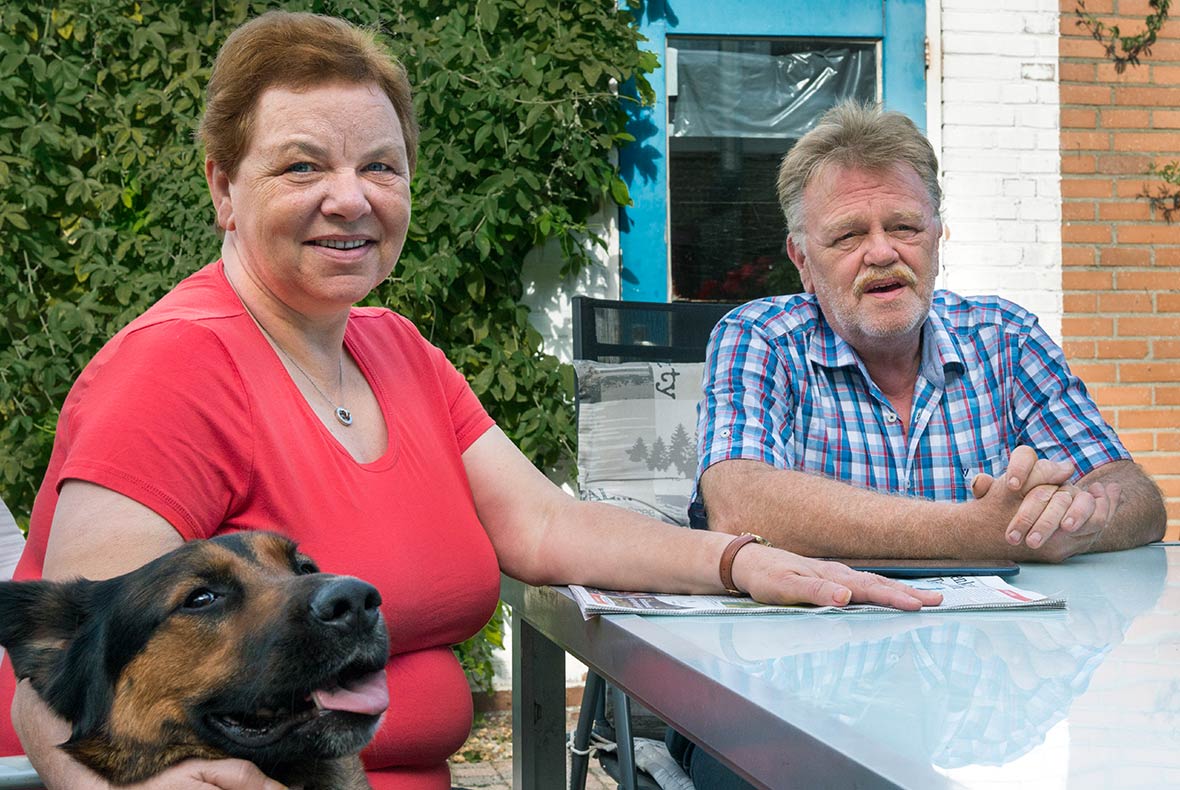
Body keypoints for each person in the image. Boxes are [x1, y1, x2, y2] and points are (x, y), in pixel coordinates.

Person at [0, 14, 942, 790]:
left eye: (380, 166)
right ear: (223, 189)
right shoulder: (173, 369)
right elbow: (72, 662)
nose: (349, 198)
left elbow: (544, 525)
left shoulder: (393, 348)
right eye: (300, 168)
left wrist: (742, 561)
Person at [693, 100, 1166, 562]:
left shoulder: (1007, 338)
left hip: (994, 638)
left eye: (903, 227)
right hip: (823, 630)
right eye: (848, 235)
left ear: (937, 236)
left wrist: (1070, 518)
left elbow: (1135, 496)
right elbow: (737, 503)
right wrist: (979, 532)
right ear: (803, 262)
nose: (881, 252)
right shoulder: (761, 337)